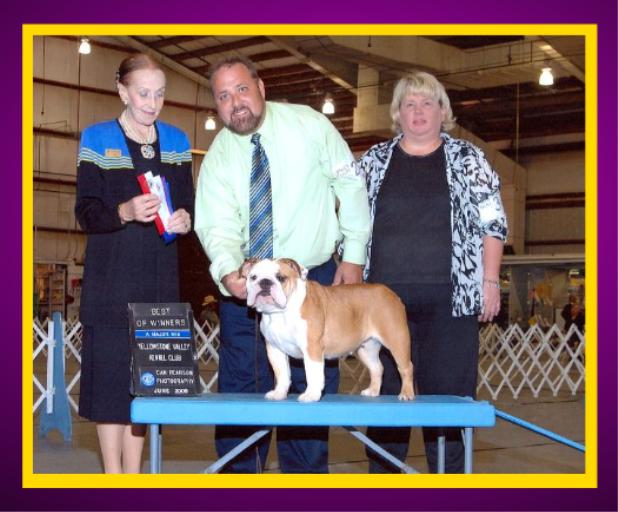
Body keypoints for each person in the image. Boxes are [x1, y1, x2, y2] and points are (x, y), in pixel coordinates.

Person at [194, 56, 370, 473]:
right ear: (216, 106)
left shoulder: (311, 125)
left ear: (262, 88)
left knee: (313, 390)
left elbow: (350, 181)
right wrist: (228, 272)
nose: (235, 102)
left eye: (241, 89)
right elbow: (215, 227)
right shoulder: (218, 157)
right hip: (248, 288)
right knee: (241, 392)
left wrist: (356, 254)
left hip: (315, 281)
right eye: (223, 96)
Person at [357, 71, 508, 473]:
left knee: (448, 411)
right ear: (397, 113)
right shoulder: (372, 160)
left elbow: (493, 223)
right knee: (387, 410)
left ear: (443, 111)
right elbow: (351, 225)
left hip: (451, 305)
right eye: (409, 104)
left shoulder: (470, 159)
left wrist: (489, 280)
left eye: (427, 103)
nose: (418, 111)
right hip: (381, 308)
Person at [75, 53, 194, 473]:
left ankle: (135, 476)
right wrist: (123, 211)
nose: (152, 102)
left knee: (149, 385)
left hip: (159, 282)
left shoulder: (178, 141)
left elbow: (187, 204)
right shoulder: (96, 137)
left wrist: (185, 220)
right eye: (143, 93)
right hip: (110, 284)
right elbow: (85, 211)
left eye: (160, 94)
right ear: (122, 90)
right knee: (111, 388)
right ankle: (113, 477)